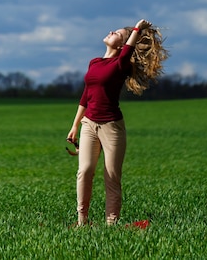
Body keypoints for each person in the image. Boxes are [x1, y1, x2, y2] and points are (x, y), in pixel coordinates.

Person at [66, 19, 168, 226]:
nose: (111, 31)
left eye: (117, 34)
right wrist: (75, 125)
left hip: (112, 126)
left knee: (111, 176)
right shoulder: (94, 63)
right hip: (89, 124)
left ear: (123, 45)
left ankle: (111, 224)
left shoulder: (120, 64)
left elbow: (128, 49)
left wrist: (137, 29)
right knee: (84, 171)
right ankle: (82, 222)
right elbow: (86, 96)